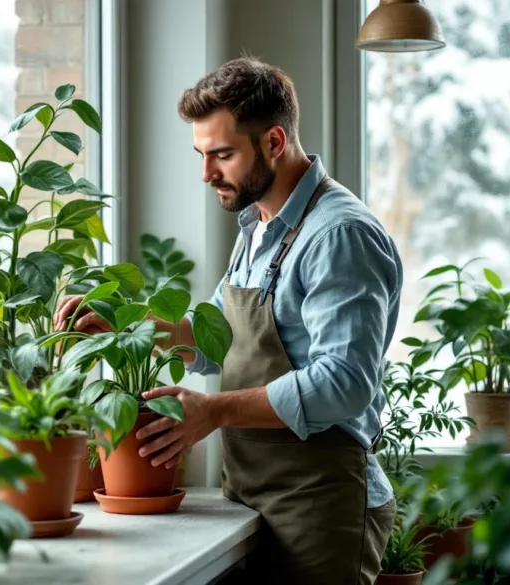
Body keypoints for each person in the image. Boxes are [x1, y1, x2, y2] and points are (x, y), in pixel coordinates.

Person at [53, 57, 402, 584]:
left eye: (222, 154)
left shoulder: (338, 235)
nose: (206, 173)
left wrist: (212, 411)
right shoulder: (259, 225)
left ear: (275, 142)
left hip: (321, 504)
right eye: (200, 153)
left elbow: (345, 384)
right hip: (252, 497)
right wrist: (124, 325)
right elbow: (218, 338)